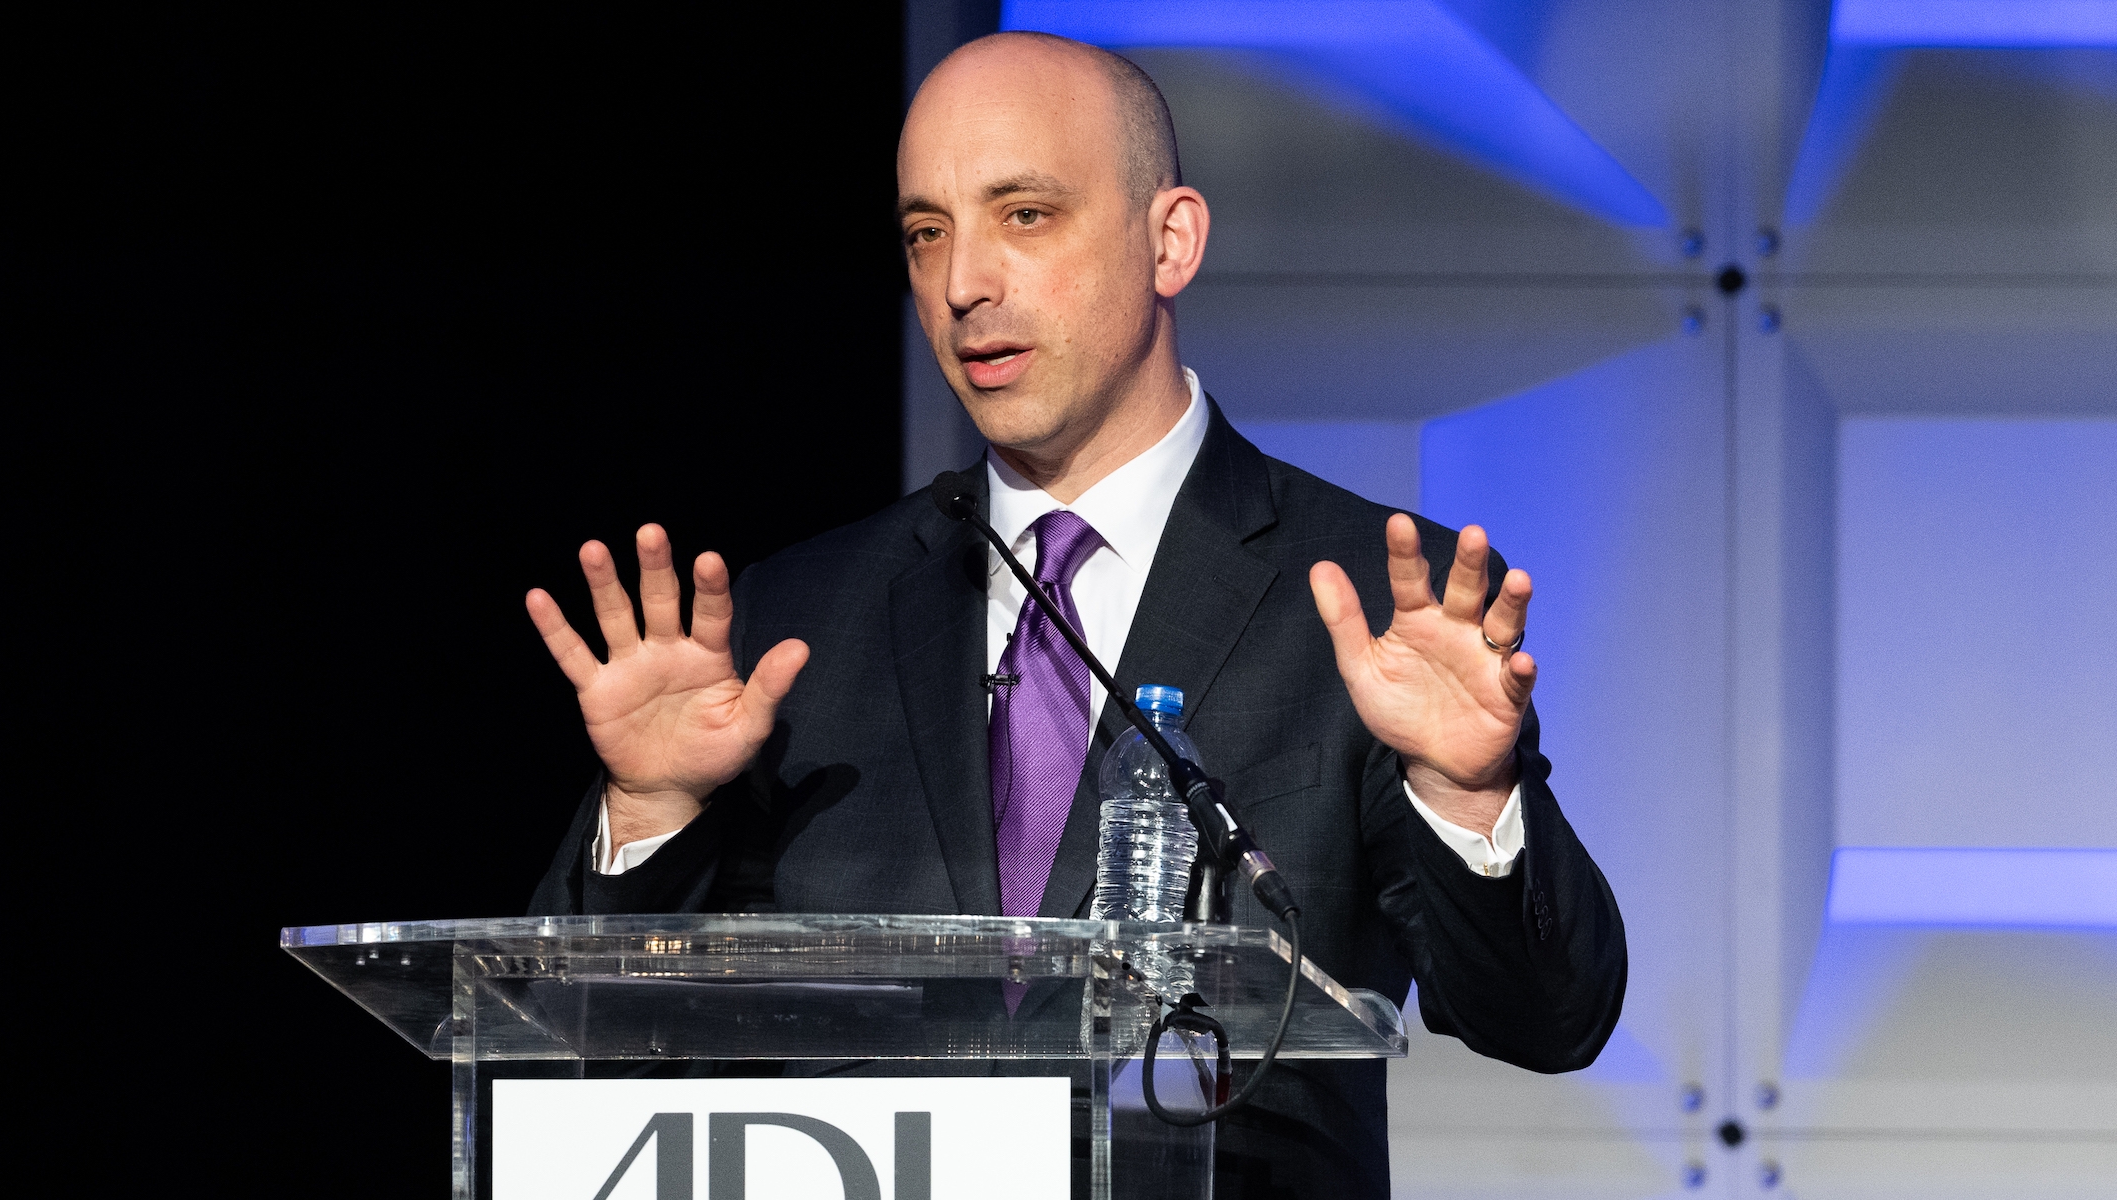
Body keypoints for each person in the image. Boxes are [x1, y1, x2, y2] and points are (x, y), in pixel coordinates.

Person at [524, 31, 1625, 1196]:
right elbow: (571, 1053)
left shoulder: (1362, 601)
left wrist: (1468, 794)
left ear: (1171, 240)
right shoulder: (796, 622)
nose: (962, 285)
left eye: (1026, 215)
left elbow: (1549, 1019)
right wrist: (651, 815)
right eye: (925, 233)